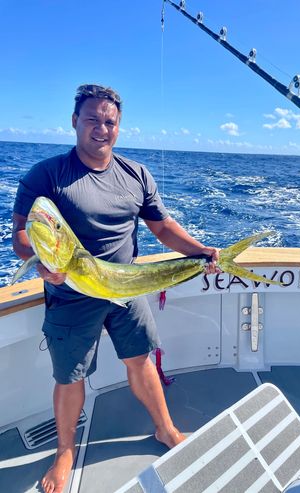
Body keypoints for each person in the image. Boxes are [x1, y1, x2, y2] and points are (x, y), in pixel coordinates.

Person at [12, 84, 219, 493]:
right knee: (70, 377)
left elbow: (162, 226)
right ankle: (65, 452)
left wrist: (201, 250)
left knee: (140, 361)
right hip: (71, 294)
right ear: (75, 122)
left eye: (110, 122)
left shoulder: (136, 174)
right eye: (92, 119)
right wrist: (43, 267)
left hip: (125, 289)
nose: (101, 128)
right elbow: (21, 234)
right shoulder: (47, 174)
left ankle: (165, 430)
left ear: (119, 128)